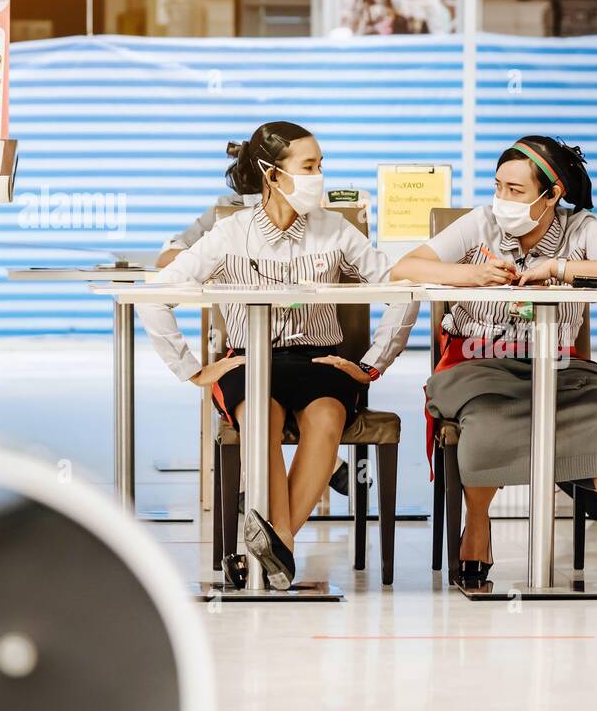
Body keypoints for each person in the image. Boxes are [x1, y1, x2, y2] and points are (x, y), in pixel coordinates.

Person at [137, 121, 417, 589]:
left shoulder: (335, 230)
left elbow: (402, 290)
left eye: (321, 165)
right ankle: (281, 547)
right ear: (271, 174)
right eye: (309, 167)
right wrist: (194, 370)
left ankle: (271, 548)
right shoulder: (230, 234)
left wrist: (371, 363)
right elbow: (154, 295)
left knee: (327, 421)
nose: (319, 176)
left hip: (320, 362)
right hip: (248, 360)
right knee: (259, 422)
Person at [391, 135, 597, 598]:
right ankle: (477, 529)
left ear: (552, 194)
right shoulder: (480, 223)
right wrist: (470, 275)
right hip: (479, 364)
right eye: (498, 186)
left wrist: (560, 269)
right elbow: (406, 267)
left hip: (560, 368)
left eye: (515, 191)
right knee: (487, 425)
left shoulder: (580, 228)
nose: (502, 199)